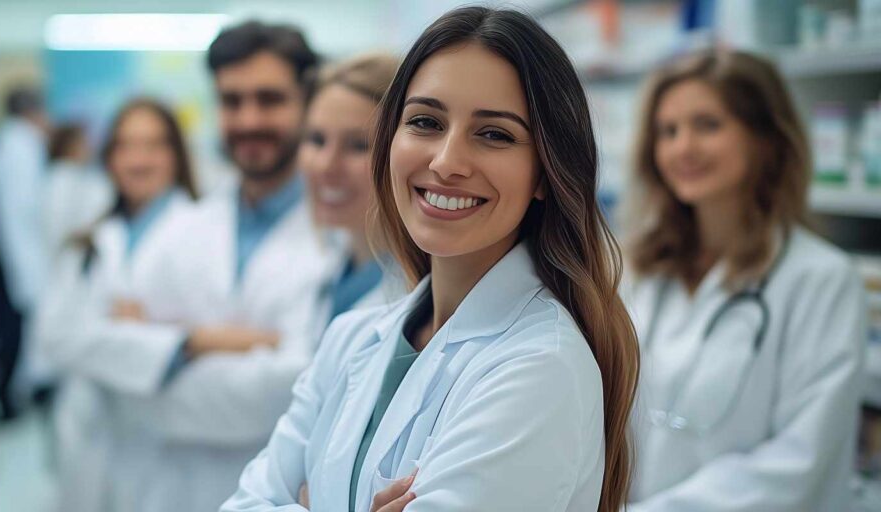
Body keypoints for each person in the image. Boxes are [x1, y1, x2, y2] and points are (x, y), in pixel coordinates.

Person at [222, 7, 640, 512]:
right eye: (425, 122)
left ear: (547, 174)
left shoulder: (538, 367)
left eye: (494, 134)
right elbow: (244, 503)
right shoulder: (352, 340)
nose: (445, 162)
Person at [39, 21, 335, 512]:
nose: (248, 118)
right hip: (162, 490)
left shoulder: (337, 240)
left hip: (277, 493)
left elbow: (287, 389)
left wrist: (153, 362)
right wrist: (221, 342)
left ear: (307, 104)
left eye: (269, 99)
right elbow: (94, 349)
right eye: (232, 101)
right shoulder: (182, 230)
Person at [623, 49, 866, 511]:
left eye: (707, 125)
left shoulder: (819, 280)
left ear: (766, 140)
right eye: (668, 131)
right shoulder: (644, 270)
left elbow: (799, 461)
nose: (683, 147)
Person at [34, 97, 199, 512]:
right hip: (88, 427)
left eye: (153, 145)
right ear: (109, 158)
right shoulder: (87, 242)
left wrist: (113, 334)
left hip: (167, 436)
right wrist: (158, 339)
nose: (138, 159)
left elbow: (208, 333)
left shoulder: (203, 232)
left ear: (176, 155)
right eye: (126, 146)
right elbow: (52, 336)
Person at [299, 53, 405, 335]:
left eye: (359, 145)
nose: (325, 165)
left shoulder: (417, 295)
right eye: (316, 140)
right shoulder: (340, 266)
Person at [0, 85, 49, 422]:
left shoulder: (11, 143)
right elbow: (22, 213)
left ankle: (10, 396)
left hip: (10, 254)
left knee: (11, 328)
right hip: (15, 256)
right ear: (32, 112)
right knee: (12, 331)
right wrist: (29, 272)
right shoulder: (21, 146)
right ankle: (7, 402)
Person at [42, 122, 113, 259]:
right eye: (83, 143)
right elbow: (57, 227)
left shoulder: (81, 175)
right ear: (69, 146)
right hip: (67, 257)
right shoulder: (61, 177)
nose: (89, 147)